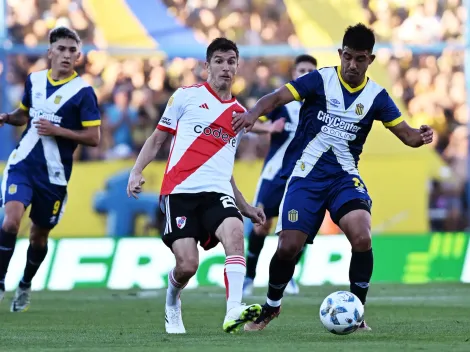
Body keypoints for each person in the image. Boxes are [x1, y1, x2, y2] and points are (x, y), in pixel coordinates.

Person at [232, 23, 433, 331]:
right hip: (305, 178)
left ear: (371, 60)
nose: (353, 64)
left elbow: (406, 135)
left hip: (343, 179)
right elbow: (275, 98)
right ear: (340, 54)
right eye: (348, 57)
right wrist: (252, 113)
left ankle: (358, 312)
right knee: (288, 246)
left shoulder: (377, 97)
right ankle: (271, 307)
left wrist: (421, 136)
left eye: (360, 59)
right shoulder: (319, 80)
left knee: (362, 236)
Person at [127, 38, 265, 334]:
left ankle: (233, 310)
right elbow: (157, 139)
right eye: (219, 61)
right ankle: (172, 299)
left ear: (237, 67)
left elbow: (224, 168)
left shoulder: (240, 115)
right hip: (179, 192)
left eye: (231, 61)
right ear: (207, 66)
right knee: (188, 265)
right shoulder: (185, 97)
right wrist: (137, 170)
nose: (225, 67)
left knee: (236, 232)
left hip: (216, 192)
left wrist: (246, 207)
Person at [0, 27, 101, 311]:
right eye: (61, 49)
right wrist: (8, 117)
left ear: (78, 56)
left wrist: (58, 130)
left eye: (72, 51)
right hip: (23, 164)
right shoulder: (34, 81)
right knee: (10, 221)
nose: (67, 55)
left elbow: (94, 138)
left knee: (38, 236)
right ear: (50, 52)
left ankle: (25, 284)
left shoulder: (83, 93)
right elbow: (24, 114)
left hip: (54, 175)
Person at [243, 55, 318, 297]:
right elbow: (248, 122)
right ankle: (249, 277)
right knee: (261, 225)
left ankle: (289, 277)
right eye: (302, 70)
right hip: (275, 174)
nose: (306, 74)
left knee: (299, 229)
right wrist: (268, 128)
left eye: (311, 70)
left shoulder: (322, 105)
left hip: (304, 176)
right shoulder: (281, 101)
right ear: (294, 74)